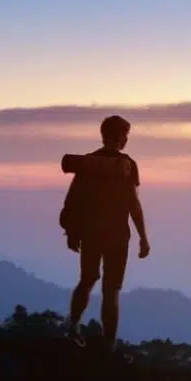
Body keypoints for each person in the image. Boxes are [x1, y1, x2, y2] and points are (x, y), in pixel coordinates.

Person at [59, 114, 150, 348]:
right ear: (120, 136)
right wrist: (143, 237)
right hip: (118, 235)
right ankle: (109, 344)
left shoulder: (88, 163)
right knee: (112, 290)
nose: (127, 139)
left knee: (87, 280)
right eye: (126, 135)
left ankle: (73, 327)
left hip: (90, 233)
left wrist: (71, 232)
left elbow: (73, 199)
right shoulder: (127, 164)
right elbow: (133, 204)